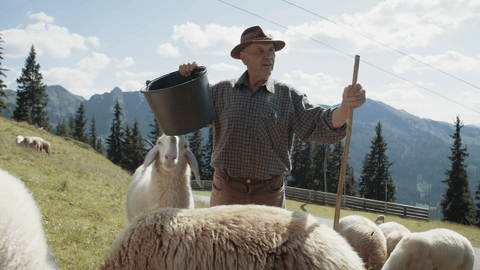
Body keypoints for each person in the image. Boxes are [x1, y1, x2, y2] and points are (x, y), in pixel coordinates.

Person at [179, 26, 366, 209]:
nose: (268, 56)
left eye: (271, 51)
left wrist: (345, 107)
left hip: (268, 194)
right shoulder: (221, 92)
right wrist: (189, 81)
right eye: (259, 51)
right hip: (227, 190)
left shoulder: (287, 96)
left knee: (271, 242)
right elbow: (184, 116)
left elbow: (321, 123)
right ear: (243, 57)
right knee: (221, 240)